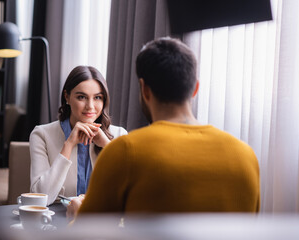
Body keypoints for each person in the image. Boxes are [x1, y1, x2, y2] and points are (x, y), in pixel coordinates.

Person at [67, 38, 259, 220]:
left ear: (144, 90)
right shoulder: (246, 155)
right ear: (195, 89)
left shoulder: (126, 150)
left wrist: (76, 215)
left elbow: (89, 233)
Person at [29, 65, 128, 205]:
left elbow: (131, 190)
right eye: (82, 97)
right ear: (67, 97)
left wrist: (107, 145)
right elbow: (39, 198)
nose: (90, 106)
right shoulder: (41, 135)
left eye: (98, 97)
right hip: (56, 221)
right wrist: (68, 145)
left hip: (104, 220)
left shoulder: (119, 135)